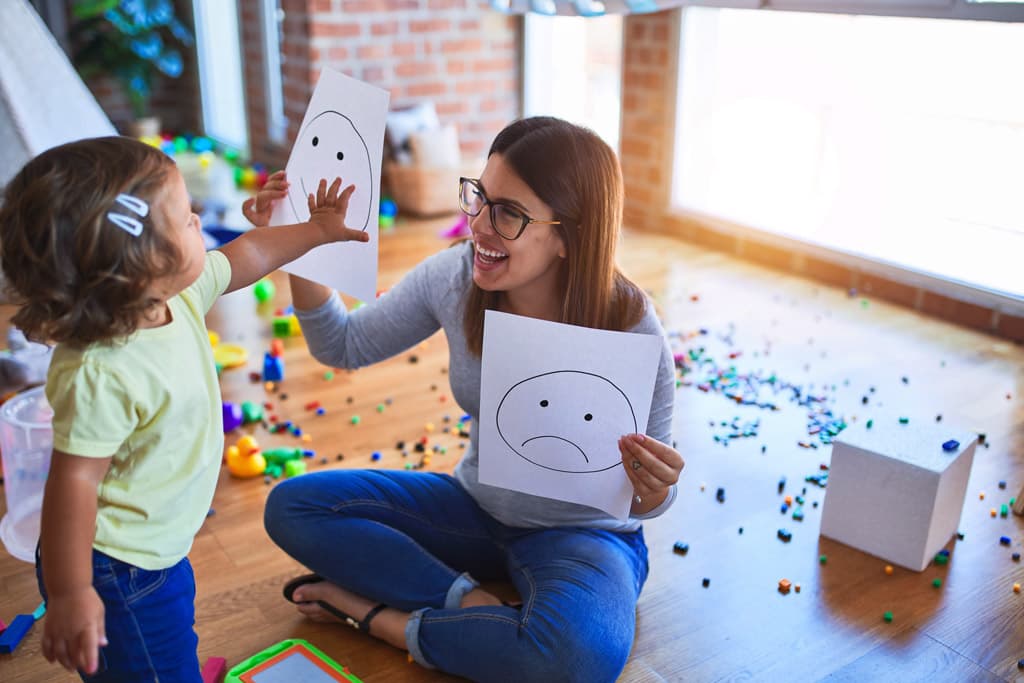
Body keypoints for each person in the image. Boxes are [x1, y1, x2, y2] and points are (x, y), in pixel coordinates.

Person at [260, 116, 684, 683]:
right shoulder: (456, 278)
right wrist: (302, 244)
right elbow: (343, 344)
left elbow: (646, 502)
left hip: (585, 537)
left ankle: (376, 617)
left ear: (568, 233)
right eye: (479, 197)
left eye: (508, 212)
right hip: (474, 510)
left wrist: (658, 489)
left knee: (576, 661)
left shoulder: (631, 324)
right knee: (292, 506)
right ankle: (466, 605)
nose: (479, 226)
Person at [0, 136, 368, 682]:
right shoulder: (98, 370)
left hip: (158, 547)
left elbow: (251, 254)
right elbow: (71, 483)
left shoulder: (176, 296)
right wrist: (72, 592)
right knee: (148, 661)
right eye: (185, 217)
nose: (199, 219)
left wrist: (315, 231)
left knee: (166, 637)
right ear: (138, 264)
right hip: (115, 568)